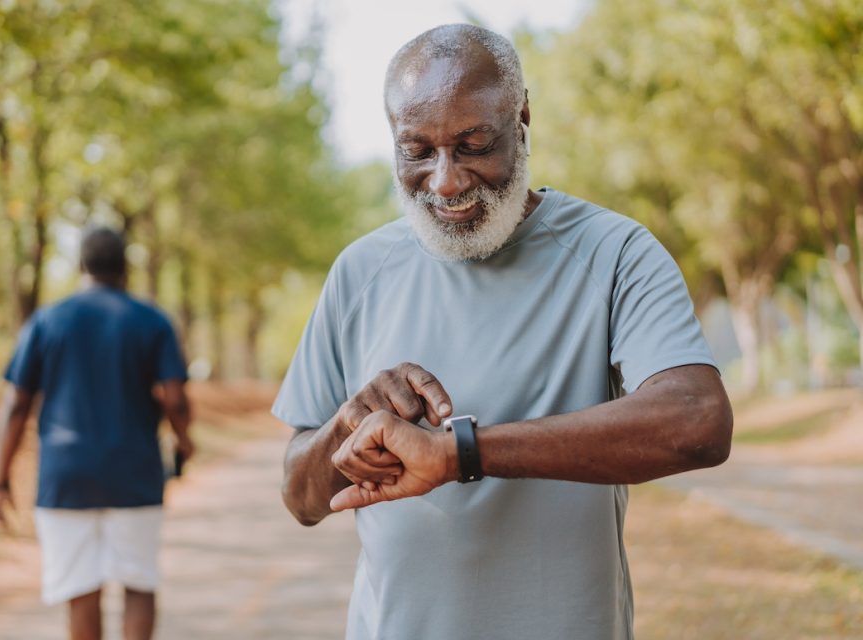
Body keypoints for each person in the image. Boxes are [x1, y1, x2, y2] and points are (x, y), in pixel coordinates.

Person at [275, 24, 733, 640]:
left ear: (521, 117)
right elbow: (301, 499)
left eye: (473, 144)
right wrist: (348, 427)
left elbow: (697, 422)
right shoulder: (359, 271)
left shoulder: (614, 252)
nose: (445, 180)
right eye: (417, 150)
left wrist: (461, 453)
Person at [0, 226, 193, 640]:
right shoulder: (152, 320)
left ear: (81, 264)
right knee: (139, 582)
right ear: (125, 267)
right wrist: (184, 441)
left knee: (80, 589)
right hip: (135, 472)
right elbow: (175, 399)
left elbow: (16, 404)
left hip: (66, 476)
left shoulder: (47, 320)